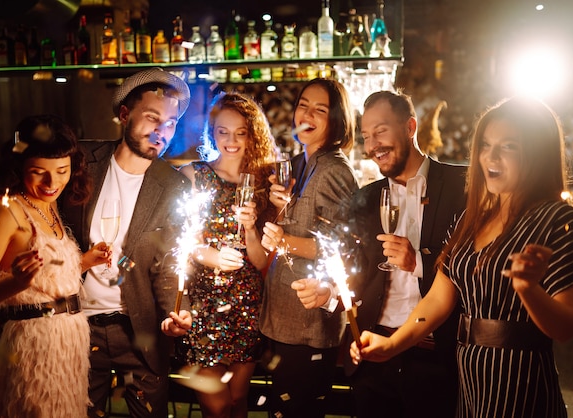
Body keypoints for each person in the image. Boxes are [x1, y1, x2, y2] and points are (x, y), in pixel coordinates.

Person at [350, 97, 573, 418]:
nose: (490, 156)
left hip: (519, 379)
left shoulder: (556, 218)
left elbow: (565, 326)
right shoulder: (472, 216)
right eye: (486, 145)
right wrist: (392, 345)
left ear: (537, 154)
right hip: (468, 378)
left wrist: (529, 290)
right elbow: (437, 300)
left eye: (509, 146)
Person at [292, 90, 466, 417]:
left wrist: (419, 263)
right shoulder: (365, 200)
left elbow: (477, 269)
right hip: (372, 356)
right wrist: (328, 292)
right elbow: (357, 273)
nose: (373, 146)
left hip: (436, 358)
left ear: (410, 127)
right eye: (367, 136)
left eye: (381, 131)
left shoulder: (461, 186)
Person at [61, 68, 193, 418]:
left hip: (140, 331)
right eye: (152, 117)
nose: (161, 131)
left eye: (170, 123)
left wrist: (177, 313)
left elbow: (169, 264)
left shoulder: (173, 186)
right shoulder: (79, 164)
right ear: (124, 115)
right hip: (78, 325)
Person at [0, 114, 107, 417]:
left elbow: (44, 280)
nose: (51, 183)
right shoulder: (6, 211)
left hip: (69, 345)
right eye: (38, 172)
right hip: (31, 349)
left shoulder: (49, 204)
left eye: (62, 171)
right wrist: (13, 283)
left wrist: (83, 262)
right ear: (18, 167)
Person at [161, 91, 276, 417]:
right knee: (217, 406)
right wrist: (209, 255)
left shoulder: (264, 184)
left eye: (241, 132)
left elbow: (262, 261)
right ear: (212, 132)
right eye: (223, 131)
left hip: (247, 305)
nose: (231, 140)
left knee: (238, 402)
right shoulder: (194, 175)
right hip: (205, 307)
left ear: (252, 135)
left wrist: (252, 230)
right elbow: (180, 241)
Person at [259, 78, 359, 418]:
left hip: (308, 321)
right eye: (304, 105)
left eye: (321, 109)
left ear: (337, 121)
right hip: (288, 317)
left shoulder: (333, 169)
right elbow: (307, 224)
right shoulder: (305, 163)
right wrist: (281, 207)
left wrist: (282, 239)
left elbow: (341, 246)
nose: (308, 114)